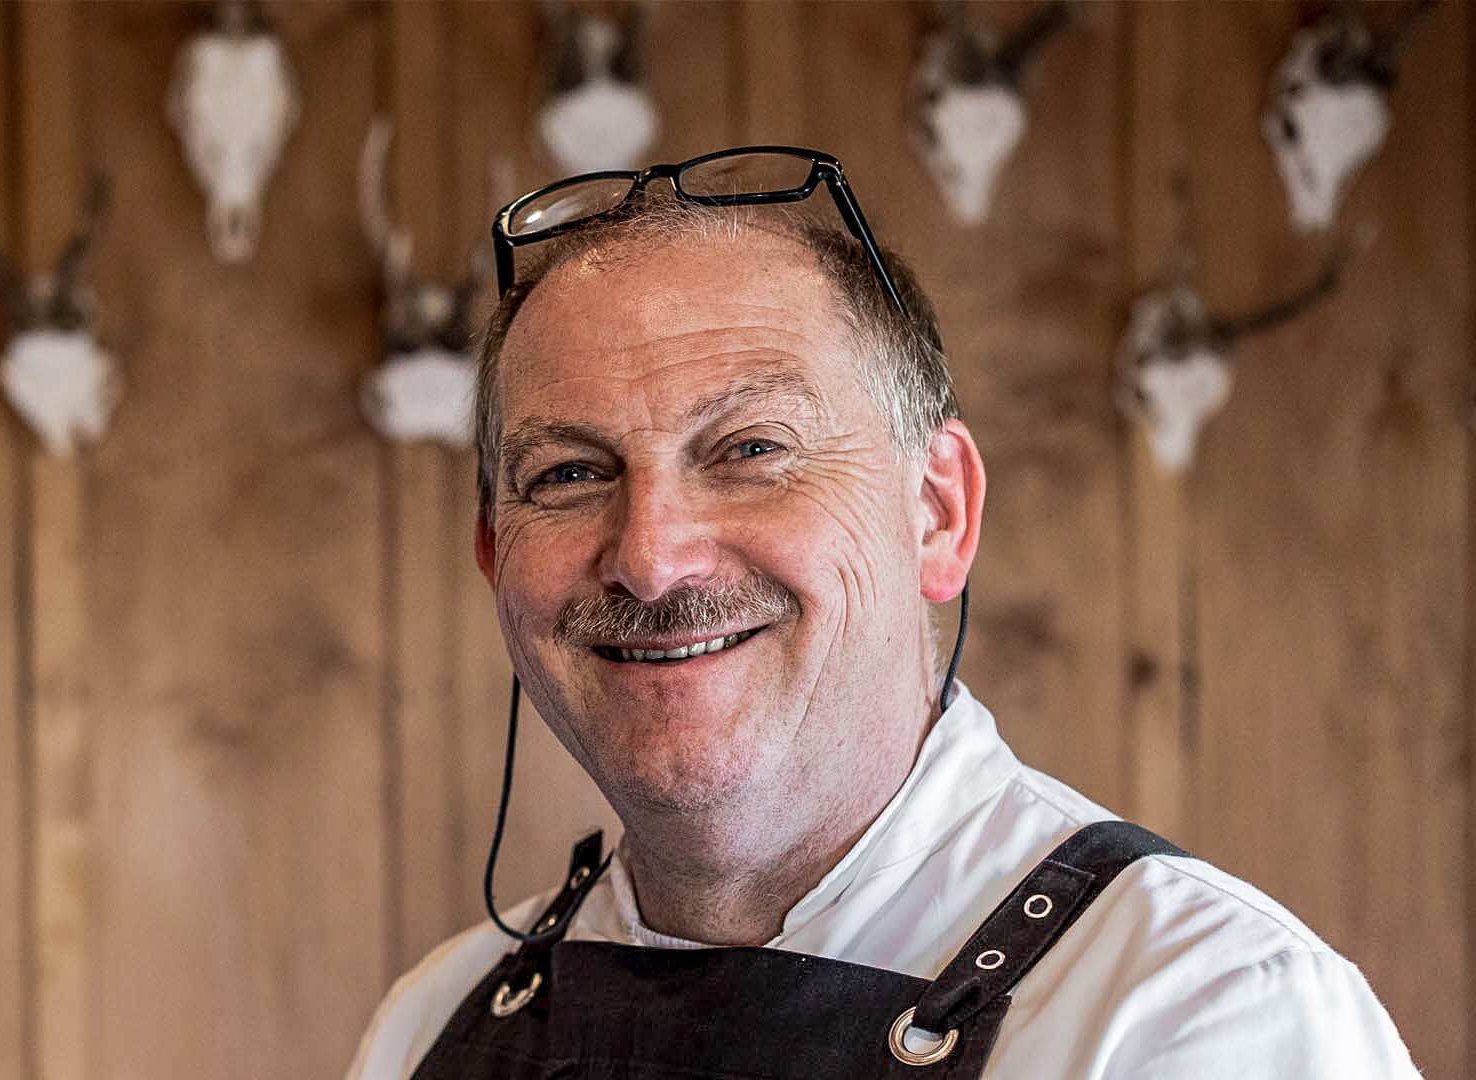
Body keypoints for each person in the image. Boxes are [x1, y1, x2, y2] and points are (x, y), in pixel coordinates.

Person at [346, 147, 1417, 1079]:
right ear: (492, 555)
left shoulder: (1206, 1014)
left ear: (938, 515)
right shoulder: (430, 1025)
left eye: (752, 450)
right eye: (570, 475)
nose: (653, 558)